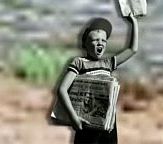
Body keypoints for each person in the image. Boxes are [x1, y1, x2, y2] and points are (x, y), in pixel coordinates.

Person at [56, 14, 140, 143]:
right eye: (95, 40)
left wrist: (133, 23)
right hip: (86, 122)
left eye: (103, 40)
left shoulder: (108, 63)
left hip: (107, 125)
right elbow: (62, 89)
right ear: (85, 43)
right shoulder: (79, 63)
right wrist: (73, 118)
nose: (100, 43)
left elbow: (132, 49)